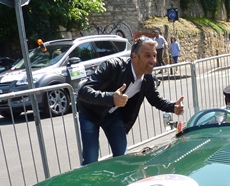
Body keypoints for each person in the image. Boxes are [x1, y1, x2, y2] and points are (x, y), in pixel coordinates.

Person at [77, 36, 185, 165]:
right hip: (90, 113)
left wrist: (173, 107)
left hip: (113, 115)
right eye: (147, 56)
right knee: (90, 160)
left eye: (154, 56)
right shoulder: (113, 66)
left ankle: (120, 183)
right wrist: (111, 98)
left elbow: (155, 99)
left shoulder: (147, 77)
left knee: (122, 158)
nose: (153, 61)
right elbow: (83, 91)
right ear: (135, 56)